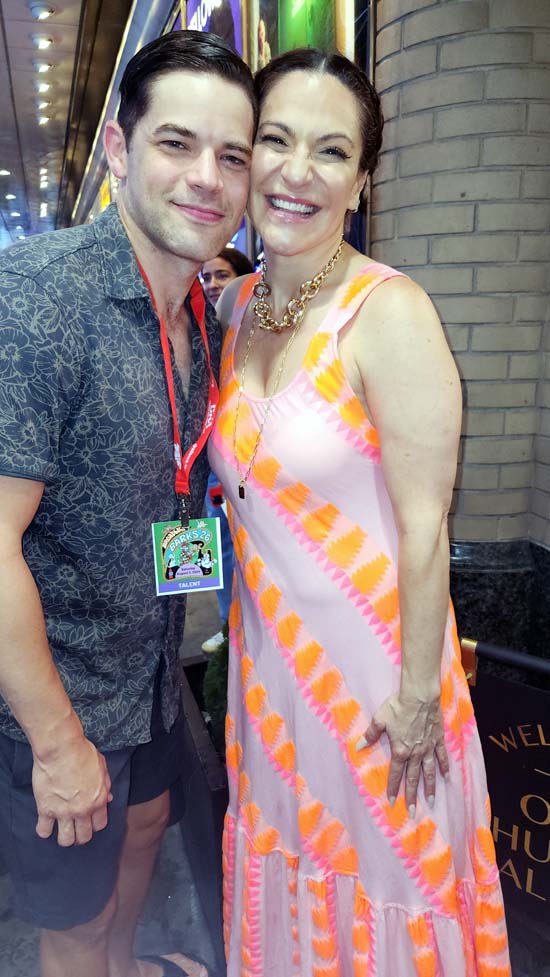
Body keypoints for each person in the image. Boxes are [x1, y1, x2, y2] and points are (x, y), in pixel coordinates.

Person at [209, 49, 511, 975]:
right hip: (268, 679)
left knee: (390, 898)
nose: (298, 172)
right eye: (276, 139)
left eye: (331, 151)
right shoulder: (232, 308)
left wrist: (420, 697)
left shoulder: (389, 312)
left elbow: (428, 524)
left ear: (362, 179)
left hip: (382, 688)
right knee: (289, 885)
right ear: (246, 153)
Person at [0, 30, 255, 977]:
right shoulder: (39, 297)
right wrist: (58, 744)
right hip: (57, 697)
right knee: (75, 914)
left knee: (146, 832)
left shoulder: (196, 309)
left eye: (232, 155)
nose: (207, 178)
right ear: (118, 146)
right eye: (177, 144)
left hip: (149, 672)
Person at [201, 248, 254, 653]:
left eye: (221, 275)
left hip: (249, 469)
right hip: (207, 469)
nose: (213, 284)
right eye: (207, 277)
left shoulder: (251, 327)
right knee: (216, 554)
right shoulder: (200, 327)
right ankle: (227, 624)